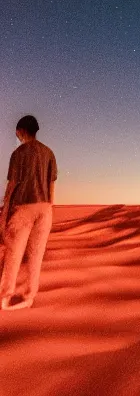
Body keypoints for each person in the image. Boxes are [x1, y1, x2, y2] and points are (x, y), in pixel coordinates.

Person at [0, 115, 57, 310]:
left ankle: (5, 297)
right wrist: (49, 208)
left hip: (23, 208)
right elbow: (51, 187)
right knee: (36, 256)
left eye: (17, 132)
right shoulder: (49, 153)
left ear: (22, 131)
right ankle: (28, 296)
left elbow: (12, 186)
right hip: (44, 209)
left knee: (13, 255)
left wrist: (3, 215)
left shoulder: (18, 154)